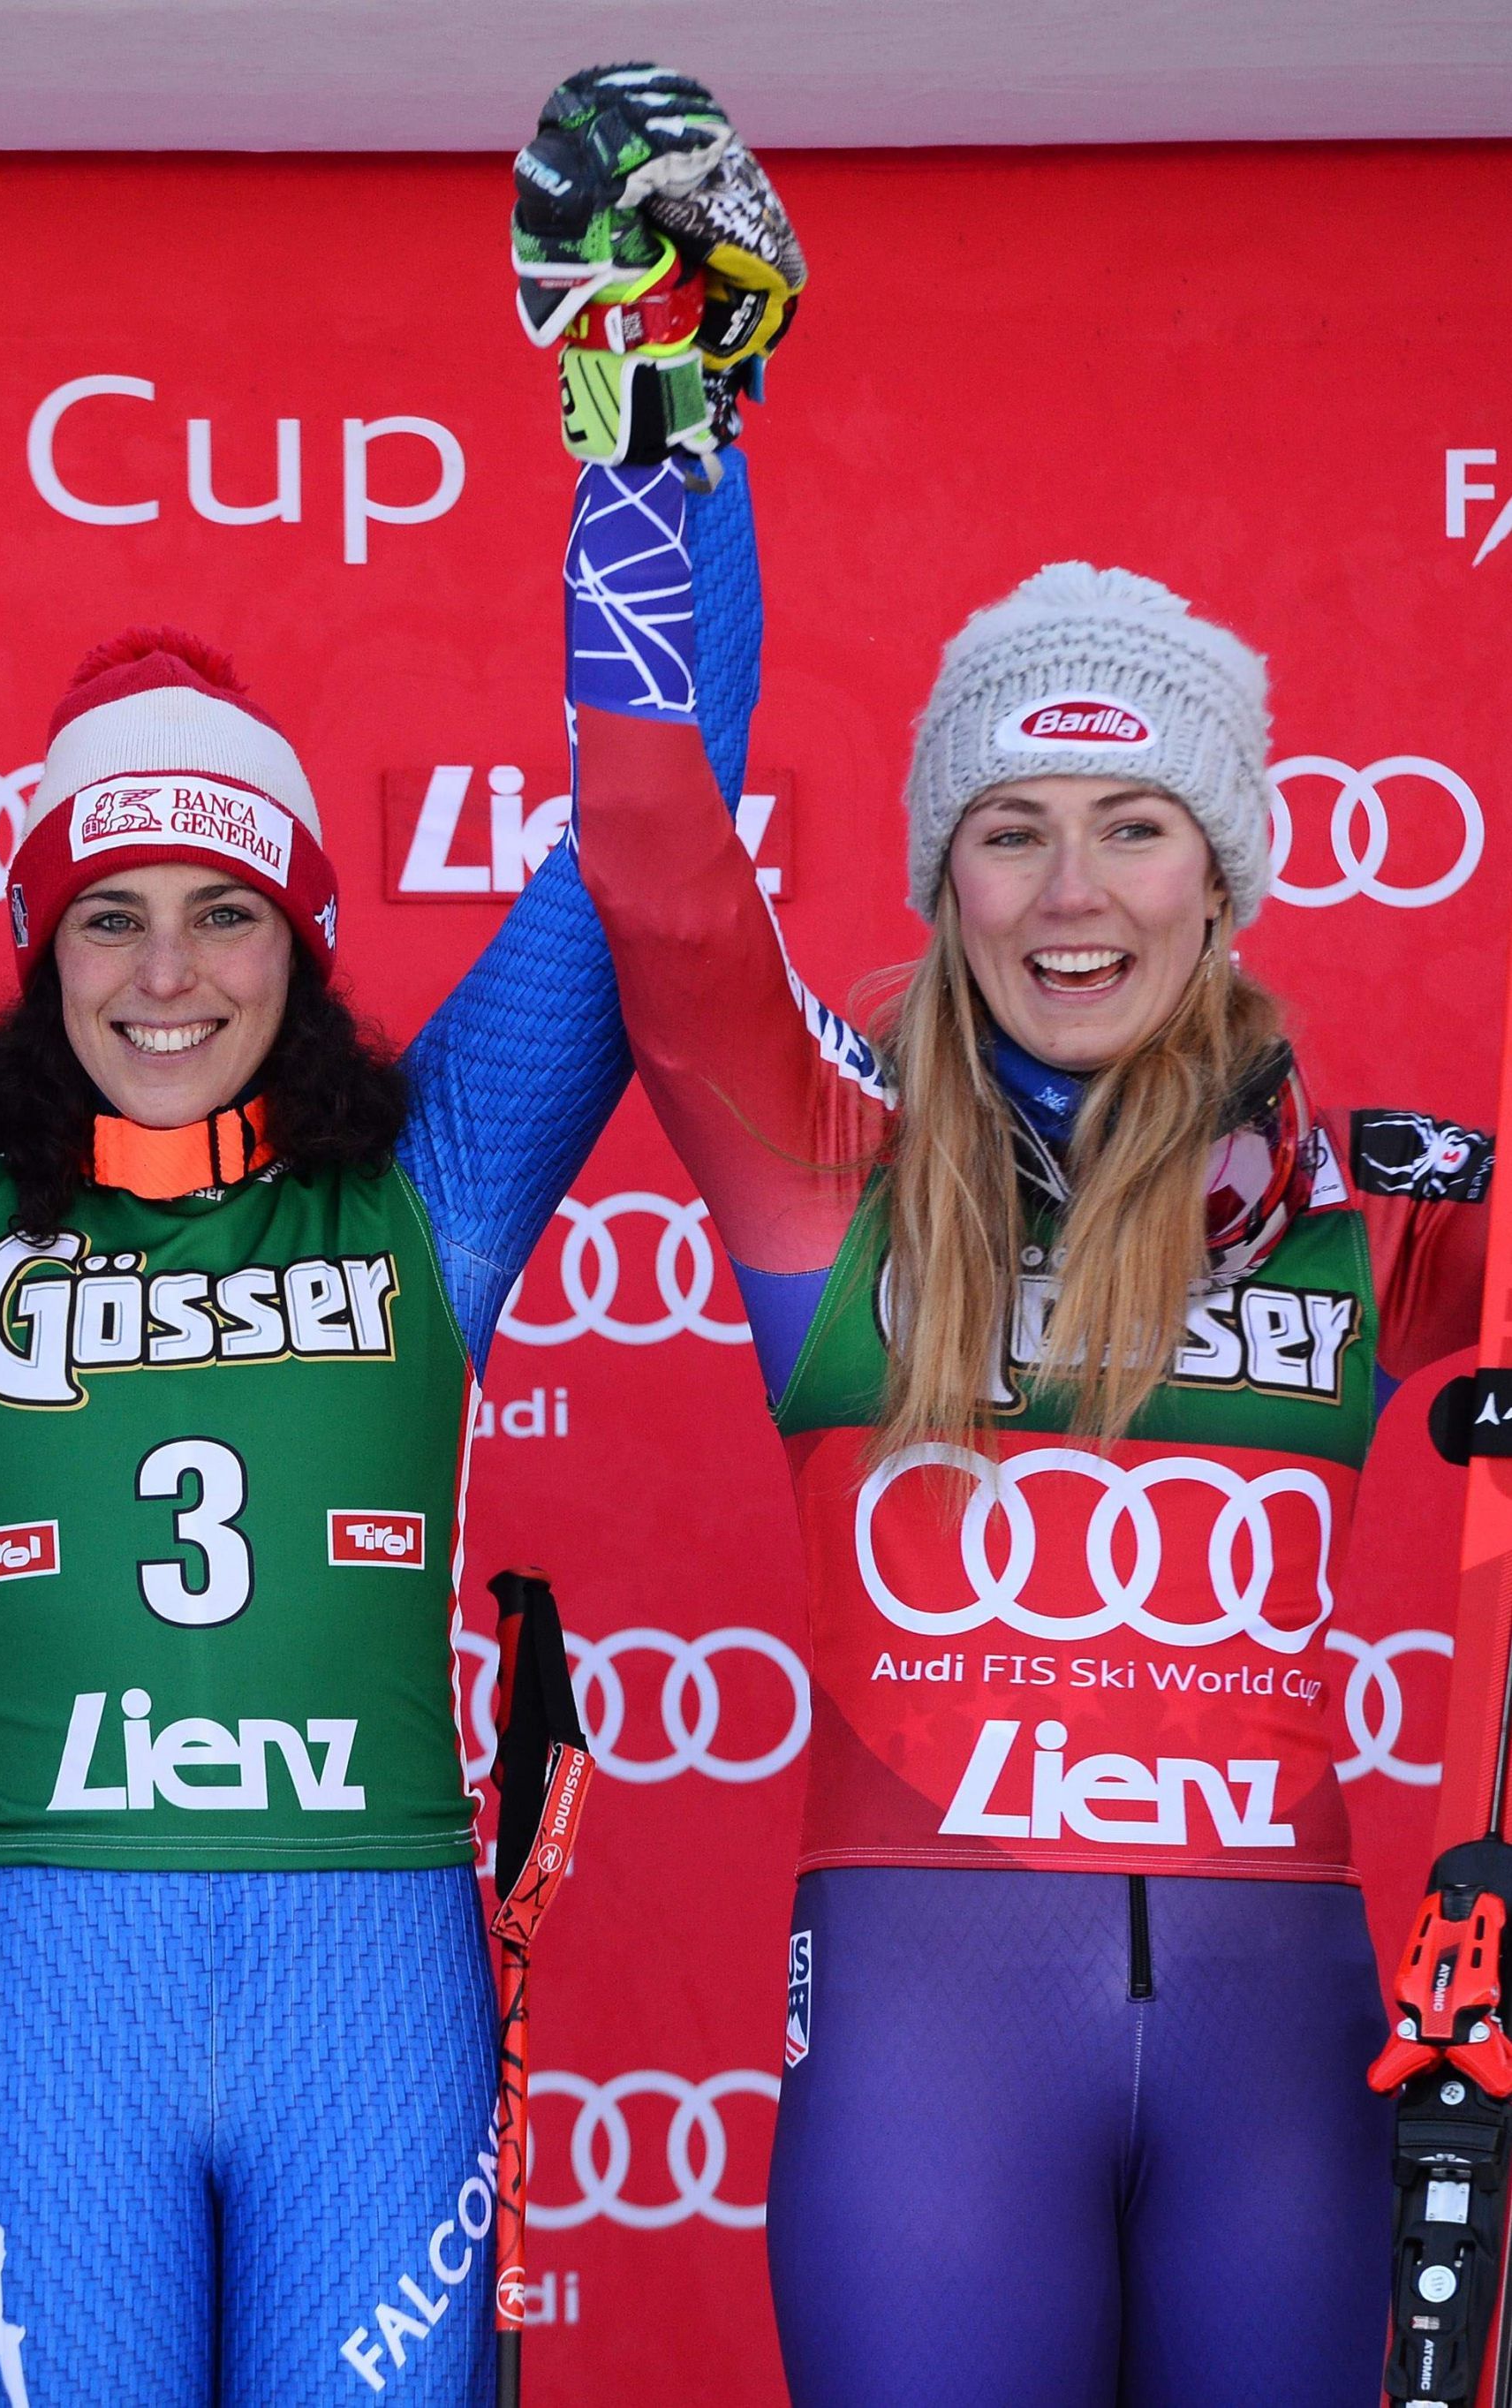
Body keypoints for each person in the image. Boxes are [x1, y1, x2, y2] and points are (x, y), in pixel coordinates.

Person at [0, 98, 803, 2398]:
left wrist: (655, 419)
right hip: (30, 1982)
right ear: (38, 943)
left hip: (362, 1986)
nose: (164, 970)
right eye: (107, 914)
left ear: (298, 940)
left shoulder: (432, 1174)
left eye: (220, 914)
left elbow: (647, 831)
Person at [539, 68, 1491, 2408]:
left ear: (1225, 871)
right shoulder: (815, 1172)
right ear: (937, 880)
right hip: (924, 2047)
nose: (1070, 894)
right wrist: (647, 427)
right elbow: (649, 848)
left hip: (1289, 2038)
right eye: (1011, 833)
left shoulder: (1386, 1201)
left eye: (1132, 826)